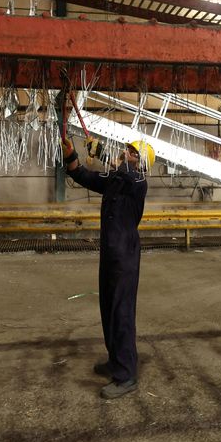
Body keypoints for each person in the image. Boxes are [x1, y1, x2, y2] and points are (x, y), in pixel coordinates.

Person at [61, 136, 154, 399]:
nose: (127, 153)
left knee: (122, 313)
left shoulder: (138, 182)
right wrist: (71, 157)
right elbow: (83, 177)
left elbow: (125, 172)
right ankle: (115, 361)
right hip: (111, 253)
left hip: (125, 256)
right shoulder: (116, 180)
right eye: (128, 149)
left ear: (142, 163)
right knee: (109, 309)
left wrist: (103, 152)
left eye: (133, 152)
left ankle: (126, 375)